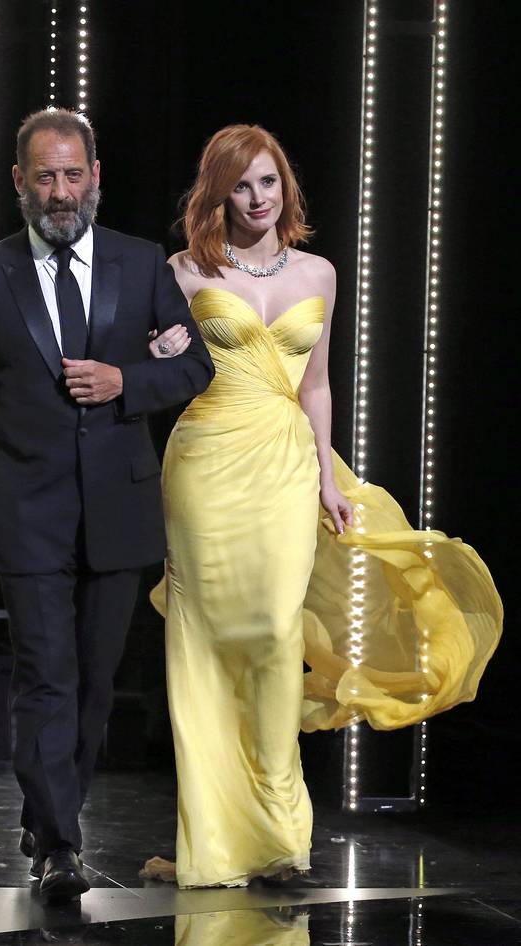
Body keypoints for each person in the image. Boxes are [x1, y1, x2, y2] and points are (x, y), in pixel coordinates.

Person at [142, 124, 503, 889]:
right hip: (205, 463)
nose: (256, 199)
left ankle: (276, 840)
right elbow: (147, 364)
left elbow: (317, 385)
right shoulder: (179, 271)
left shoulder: (320, 273)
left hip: (285, 465)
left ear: (286, 188)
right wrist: (158, 354)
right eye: (240, 186)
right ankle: (213, 838)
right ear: (217, 192)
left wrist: (328, 480)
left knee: (275, 636)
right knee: (206, 643)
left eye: (268, 183)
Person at [0, 108, 214, 902]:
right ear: (19, 182)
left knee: (91, 685)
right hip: (24, 513)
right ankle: (58, 844)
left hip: (119, 511)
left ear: (95, 177)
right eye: (45, 176)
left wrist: (129, 383)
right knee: (45, 678)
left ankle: (53, 810)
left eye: (72, 173)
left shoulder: (141, 262)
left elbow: (198, 370)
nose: (61, 191)